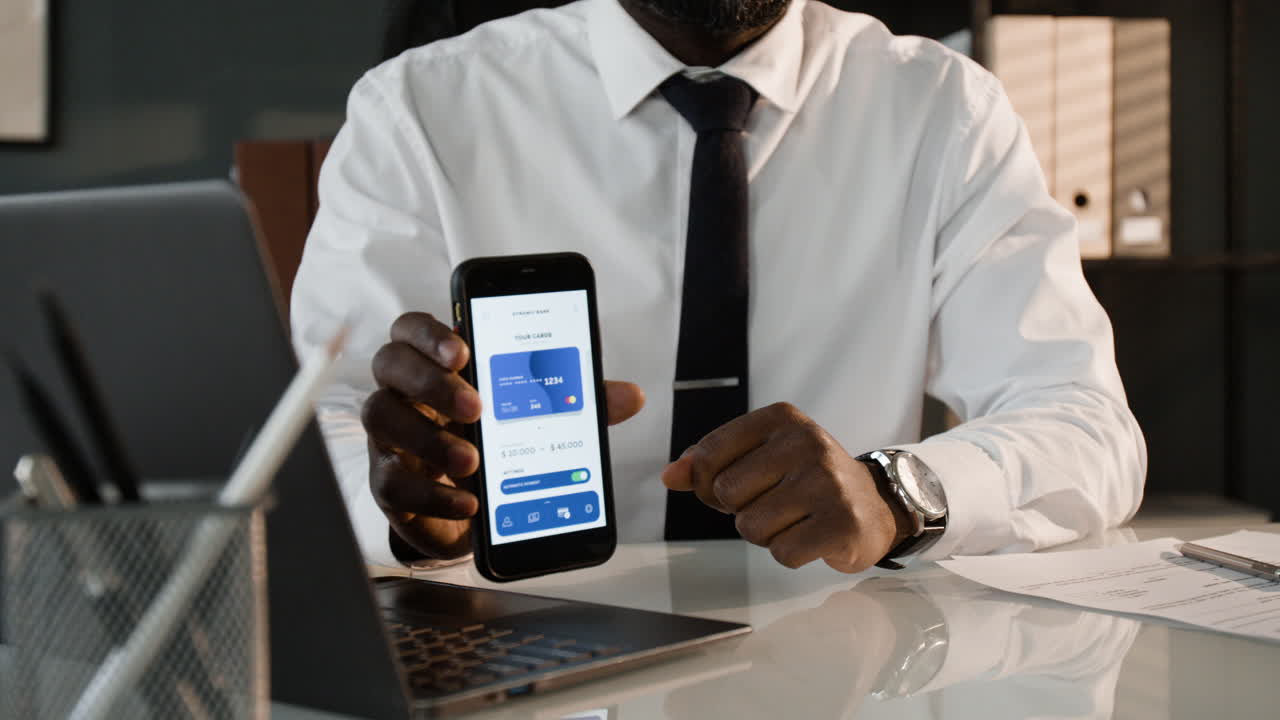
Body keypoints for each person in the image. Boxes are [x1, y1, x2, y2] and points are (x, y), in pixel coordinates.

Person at [291, 0, 1147, 571]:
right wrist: (403, 509)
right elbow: (309, 433)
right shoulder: (420, 110)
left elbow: (1086, 423)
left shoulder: (941, 108)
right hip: (528, 648)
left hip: (847, 659)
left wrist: (895, 493)